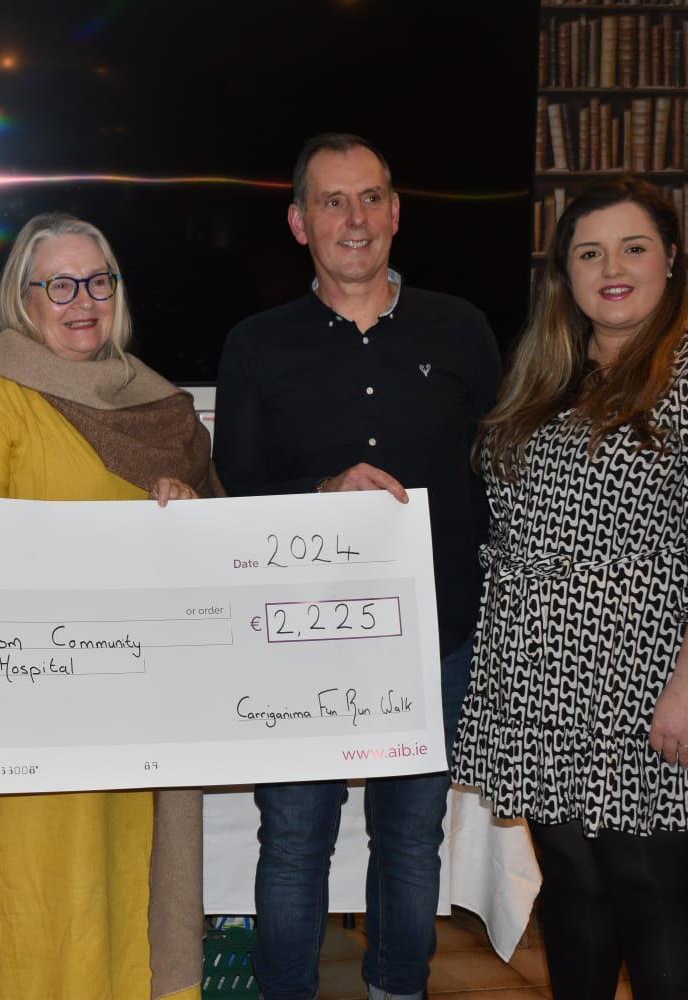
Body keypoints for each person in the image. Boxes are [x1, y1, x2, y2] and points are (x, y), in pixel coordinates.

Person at [452, 176, 688, 1000]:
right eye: (589, 253)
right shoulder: (546, 376)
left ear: (669, 259)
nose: (612, 269)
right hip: (542, 687)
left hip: (651, 682)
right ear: (564, 273)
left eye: (633, 248)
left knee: (653, 896)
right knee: (574, 892)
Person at [212, 133, 501, 1000]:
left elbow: (499, 476)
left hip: (437, 637)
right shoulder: (256, 344)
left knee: (412, 839)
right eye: (332, 201)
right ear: (299, 222)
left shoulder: (463, 329)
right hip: (300, 641)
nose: (355, 218)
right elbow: (237, 486)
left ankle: (397, 988)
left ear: (396, 213)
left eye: (371, 197)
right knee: (293, 840)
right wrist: (322, 489)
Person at [0, 211, 219, 1000]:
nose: (83, 301)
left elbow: (217, 541)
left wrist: (184, 508)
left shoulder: (157, 404)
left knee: (131, 903)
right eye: (59, 285)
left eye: (98, 281)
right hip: (30, 720)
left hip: (138, 716)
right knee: (40, 917)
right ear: (23, 297)